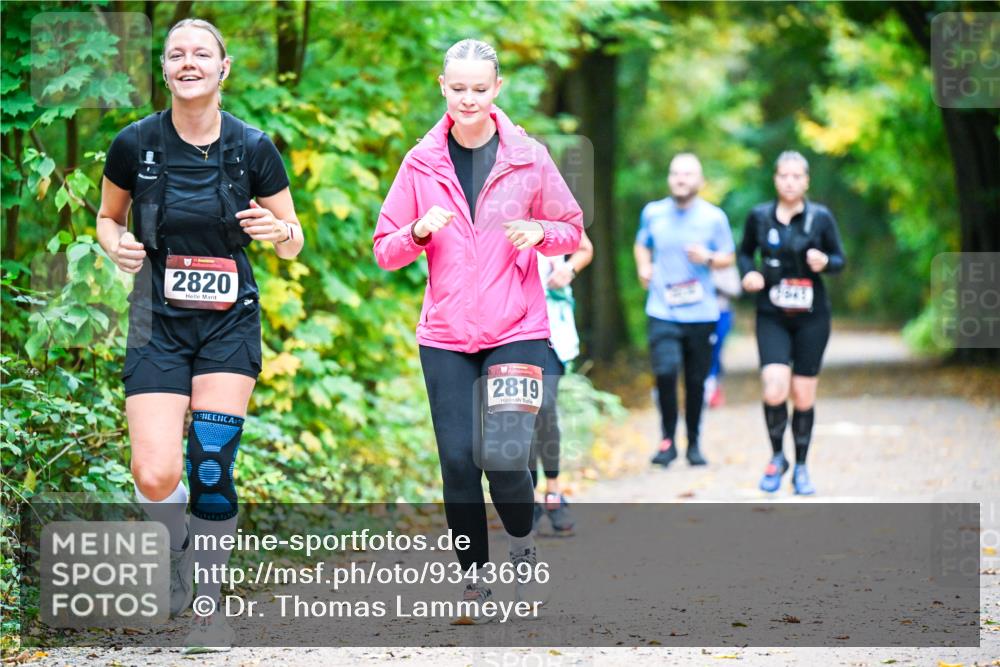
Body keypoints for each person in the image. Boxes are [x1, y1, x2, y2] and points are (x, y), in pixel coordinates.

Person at [96, 19, 302, 652]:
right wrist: (119, 247)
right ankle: (180, 546)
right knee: (155, 473)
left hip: (228, 320)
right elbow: (108, 218)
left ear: (223, 68)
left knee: (212, 463)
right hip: (154, 320)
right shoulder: (134, 144)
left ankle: (208, 597)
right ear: (164, 70)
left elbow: (293, 240)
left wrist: (276, 233)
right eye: (177, 54)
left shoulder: (253, 147)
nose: (189, 62)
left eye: (201, 54)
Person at [373, 39, 582, 622]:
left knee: (505, 456)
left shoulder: (529, 157)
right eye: (457, 88)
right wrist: (416, 230)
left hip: (517, 328)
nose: (468, 98)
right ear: (443, 87)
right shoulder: (421, 163)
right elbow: (384, 250)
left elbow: (571, 230)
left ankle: (522, 542)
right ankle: (475, 582)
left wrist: (540, 232)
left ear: (497, 89)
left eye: (479, 88)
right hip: (445, 336)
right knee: (460, 463)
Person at [737, 151, 845, 495]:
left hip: (812, 317)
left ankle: (800, 466)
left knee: (802, 393)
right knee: (773, 386)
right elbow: (743, 253)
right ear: (775, 178)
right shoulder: (759, 217)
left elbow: (840, 260)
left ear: (806, 181)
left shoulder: (821, 218)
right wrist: (749, 273)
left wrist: (824, 261)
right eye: (784, 175)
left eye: (797, 176)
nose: (790, 182)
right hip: (772, 314)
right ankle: (775, 457)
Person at [635, 153, 735, 468]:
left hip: (702, 312)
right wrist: (643, 266)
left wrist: (707, 257)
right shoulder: (653, 213)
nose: (681, 179)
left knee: (695, 381)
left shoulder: (714, 217)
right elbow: (641, 244)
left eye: (688, 174)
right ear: (669, 179)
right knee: (665, 372)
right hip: (662, 309)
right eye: (675, 173)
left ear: (700, 181)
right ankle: (667, 442)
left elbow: (728, 257)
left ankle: (693, 442)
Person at [531, 230, 593, 535]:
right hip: (502, 324)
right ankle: (525, 499)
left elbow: (584, 247)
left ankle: (553, 492)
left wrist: (568, 269)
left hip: (550, 325)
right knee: (515, 410)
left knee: (544, 405)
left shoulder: (550, 200)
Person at [704, 265, 742, 409]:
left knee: (715, 349)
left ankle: (713, 389)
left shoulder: (725, 264)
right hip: (696, 315)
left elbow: (736, 289)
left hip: (721, 313)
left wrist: (714, 284)